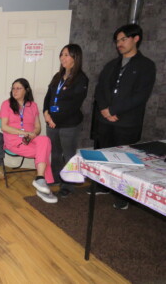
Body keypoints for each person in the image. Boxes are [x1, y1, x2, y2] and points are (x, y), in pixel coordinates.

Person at [93, 23, 156, 209]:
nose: (119, 44)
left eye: (123, 39)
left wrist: (114, 110)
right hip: (105, 120)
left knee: (125, 160)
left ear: (136, 39)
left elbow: (140, 96)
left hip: (127, 123)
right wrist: (105, 109)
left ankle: (124, 196)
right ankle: (103, 186)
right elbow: (100, 89)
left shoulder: (146, 65)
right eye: (117, 40)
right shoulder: (111, 65)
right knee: (104, 155)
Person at [0, 78, 57, 204]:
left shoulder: (33, 105)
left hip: (31, 139)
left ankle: (40, 179)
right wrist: (23, 133)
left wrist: (33, 134)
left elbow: (38, 127)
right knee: (44, 151)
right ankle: (43, 185)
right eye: (13, 88)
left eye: (18, 88)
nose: (15, 91)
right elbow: (4, 127)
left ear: (27, 90)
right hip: (14, 141)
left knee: (45, 140)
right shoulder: (6, 104)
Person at [43, 44, 89, 198]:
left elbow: (73, 105)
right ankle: (56, 177)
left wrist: (54, 119)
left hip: (69, 124)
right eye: (61, 54)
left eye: (67, 55)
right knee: (55, 153)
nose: (63, 58)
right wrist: (46, 113)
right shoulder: (58, 76)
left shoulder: (81, 79)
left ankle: (68, 185)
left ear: (76, 58)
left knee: (68, 155)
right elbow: (49, 96)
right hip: (52, 122)